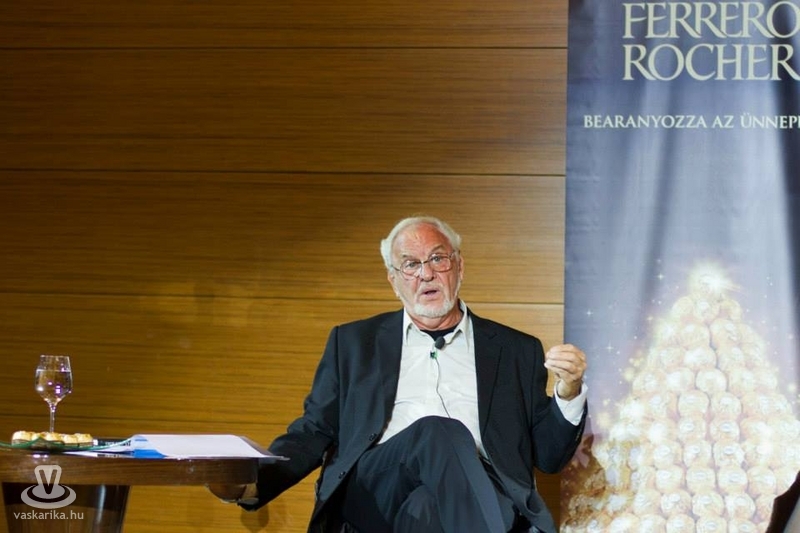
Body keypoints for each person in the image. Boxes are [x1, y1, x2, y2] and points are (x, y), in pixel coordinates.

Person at [209, 216, 588, 533]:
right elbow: (313, 430)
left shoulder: (515, 349)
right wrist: (250, 485)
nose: (426, 274)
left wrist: (568, 392)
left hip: (479, 490)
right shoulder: (354, 343)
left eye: (438, 259)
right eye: (410, 264)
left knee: (426, 508)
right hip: (376, 487)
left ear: (459, 267)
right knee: (438, 431)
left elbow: (548, 458)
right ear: (393, 280)